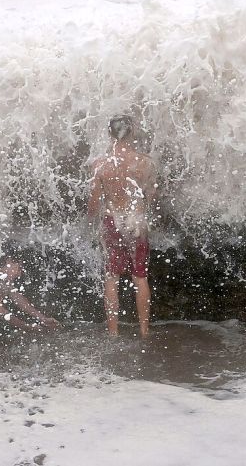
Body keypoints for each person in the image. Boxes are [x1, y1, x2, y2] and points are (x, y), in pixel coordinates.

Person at [87, 115, 157, 338]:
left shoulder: (100, 165)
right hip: (136, 221)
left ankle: (113, 332)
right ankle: (145, 331)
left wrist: (89, 221)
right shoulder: (145, 163)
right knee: (140, 277)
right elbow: (151, 199)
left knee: (111, 276)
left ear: (110, 133)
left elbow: (93, 203)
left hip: (111, 220)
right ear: (132, 133)